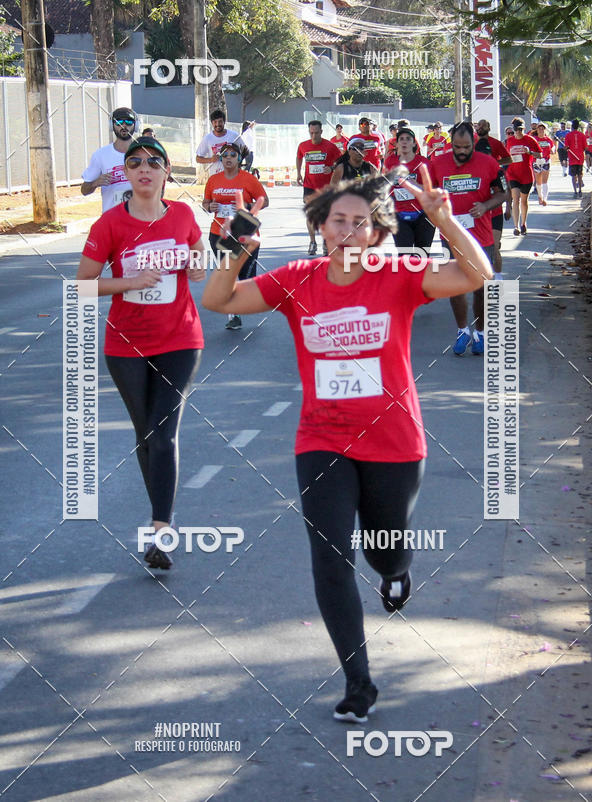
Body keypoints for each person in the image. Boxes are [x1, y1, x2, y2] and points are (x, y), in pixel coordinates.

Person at [201, 172, 493, 724]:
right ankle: (359, 681)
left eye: (361, 223)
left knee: (385, 549)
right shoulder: (297, 279)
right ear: (320, 226)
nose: (349, 231)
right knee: (331, 557)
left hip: (395, 442)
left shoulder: (397, 276)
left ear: (377, 235)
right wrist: (237, 251)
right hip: (322, 439)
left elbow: (478, 273)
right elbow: (219, 299)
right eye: (339, 220)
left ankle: (395, 570)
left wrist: (443, 219)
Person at [76, 136, 206, 570]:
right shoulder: (109, 225)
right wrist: (127, 283)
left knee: (163, 432)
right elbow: (82, 287)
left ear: (167, 171)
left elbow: (199, 265)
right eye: (135, 163)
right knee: (146, 433)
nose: (145, 168)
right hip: (126, 344)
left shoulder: (184, 215)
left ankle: (160, 531)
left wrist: (196, 263)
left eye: (154, 162)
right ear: (126, 173)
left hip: (180, 338)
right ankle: (158, 524)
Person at [429, 121, 509, 356]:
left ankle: (481, 333)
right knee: (455, 285)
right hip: (451, 234)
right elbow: (429, 195)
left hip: (481, 236)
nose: (461, 152)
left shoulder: (489, 163)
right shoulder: (437, 163)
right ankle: (463, 330)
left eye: (466, 147)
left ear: (474, 143)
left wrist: (485, 206)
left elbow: (503, 192)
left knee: (480, 286)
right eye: (457, 147)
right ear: (451, 143)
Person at [202, 142, 269, 329]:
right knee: (226, 275)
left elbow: (265, 201)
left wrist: (246, 208)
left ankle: (248, 301)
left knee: (246, 276)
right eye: (225, 155)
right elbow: (205, 203)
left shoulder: (248, 179)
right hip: (219, 233)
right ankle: (233, 315)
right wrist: (210, 207)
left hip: (244, 234)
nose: (228, 158)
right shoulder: (213, 180)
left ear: (239, 159)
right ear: (221, 159)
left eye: (233, 155)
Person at [384, 127, 434, 250]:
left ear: (413, 143)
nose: (404, 142)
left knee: (422, 255)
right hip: (398, 214)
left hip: (423, 214)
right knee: (404, 256)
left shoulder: (424, 162)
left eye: (408, 139)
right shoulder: (390, 162)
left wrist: (415, 185)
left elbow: (432, 191)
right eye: (401, 139)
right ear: (396, 144)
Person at [474, 119, 512, 278]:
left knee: (494, 248)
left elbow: (506, 188)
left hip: (495, 213)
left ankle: (498, 281)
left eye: (483, 126)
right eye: (478, 126)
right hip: (477, 215)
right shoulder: (472, 170)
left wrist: (509, 208)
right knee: (480, 250)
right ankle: (482, 280)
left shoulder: (498, 172)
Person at [296, 120, 340, 255]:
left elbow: (341, 161)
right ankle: (312, 241)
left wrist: (331, 168)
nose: (313, 136)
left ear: (321, 131)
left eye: (316, 133)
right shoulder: (303, 145)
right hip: (309, 185)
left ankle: (326, 242)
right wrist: (298, 173)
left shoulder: (330, 146)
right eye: (311, 133)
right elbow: (299, 157)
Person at [81, 107, 136, 212]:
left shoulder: (144, 153)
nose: (124, 126)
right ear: (112, 125)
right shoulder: (100, 155)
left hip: (140, 220)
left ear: (135, 125)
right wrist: (95, 182)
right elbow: (84, 190)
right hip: (112, 219)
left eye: (129, 122)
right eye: (119, 122)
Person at [505, 117, 541, 235]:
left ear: (524, 129)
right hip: (513, 173)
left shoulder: (530, 140)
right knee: (516, 198)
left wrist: (529, 152)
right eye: (516, 130)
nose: (518, 132)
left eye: (520, 129)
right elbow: (506, 156)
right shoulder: (510, 141)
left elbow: (540, 154)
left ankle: (523, 223)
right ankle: (516, 227)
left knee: (524, 201)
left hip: (526, 174)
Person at [196, 109, 246, 177]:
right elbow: (198, 159)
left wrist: (238, 160)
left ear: (224, 122)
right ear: (212, 123)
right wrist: (211, 159)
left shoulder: (233, 136)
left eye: (220, 121)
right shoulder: (208, 138)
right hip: (216, 177)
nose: (217, 124)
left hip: (233, 176)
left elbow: (245, 150)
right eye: (215, 122)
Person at [532, 122, 555, 206]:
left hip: (546, 161)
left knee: (545, 181)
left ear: (545, 130)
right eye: (539, 128)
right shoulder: (534, 139)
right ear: (537, 130)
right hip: (536, 162)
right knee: (538, 182)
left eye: (543, 129)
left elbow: (553, 147)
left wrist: (552, 150)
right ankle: (540, 197)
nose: (541, 130)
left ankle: (545, 199)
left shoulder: (548, 140)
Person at [565, 119, 587, 198]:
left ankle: (575, 191)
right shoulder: (582, 135)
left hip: (572, 158)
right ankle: (580, 190)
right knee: (580, 175)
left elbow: (566, 147)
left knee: (573, 176)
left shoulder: (568, 135)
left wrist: (567, 148)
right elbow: (585, 147)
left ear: (572, 126)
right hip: (580, 158)